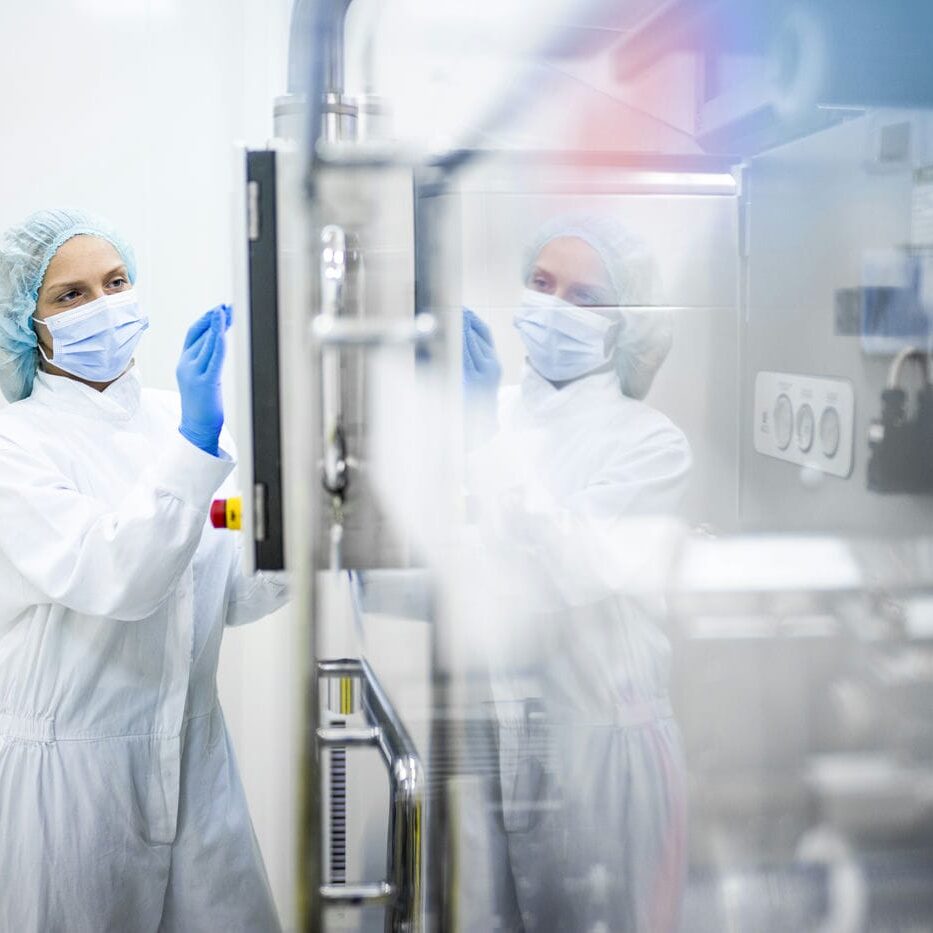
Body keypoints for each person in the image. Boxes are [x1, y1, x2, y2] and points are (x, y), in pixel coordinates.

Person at [0, 208, 287, 932]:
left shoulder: (175, 420)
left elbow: (232, 591)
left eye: (116, 281)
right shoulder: (16, 442)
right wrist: (196, 444)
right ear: (23, 323)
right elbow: (117, 574)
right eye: (71, 295)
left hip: (197, 762)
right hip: (72, 782)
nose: (104, 306)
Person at [462, 214, 691, 932]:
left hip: (606, 757)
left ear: (627, 322)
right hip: (499, 746)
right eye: (540, 283)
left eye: (584, 297)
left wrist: (481, 442)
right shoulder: (492, 417)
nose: (553, 308)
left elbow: (563, 568)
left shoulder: (650, 443)